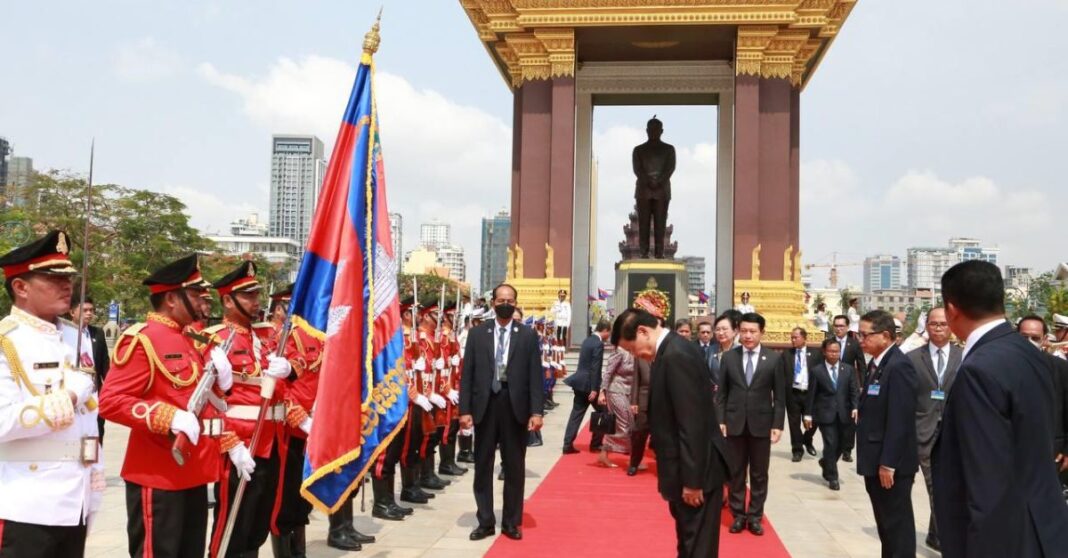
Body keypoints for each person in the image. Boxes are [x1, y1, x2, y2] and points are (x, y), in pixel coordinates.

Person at [100, 254, 234, 558]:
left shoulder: (191, 339)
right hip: (159, 472)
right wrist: (167, 416)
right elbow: (111, 401)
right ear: (172, 298)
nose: (203, 299)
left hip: (194, 470)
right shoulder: (143, 340)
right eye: (195, 293)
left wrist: (224, 383)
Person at [934, 261, 1068, 557]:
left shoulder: (979, 369)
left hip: (1007, 539)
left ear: (951, 310)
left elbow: (987, 484)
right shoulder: (1030, 354)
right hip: (1043, 528)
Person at [0, 230, 103, 557]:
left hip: (77, 497)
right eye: (52, 278)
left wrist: (95, 475)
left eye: (68, 277)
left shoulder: (77, 336)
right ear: (21, 287)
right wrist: (68, 397)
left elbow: (90, 415)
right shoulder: (7, 341)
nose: (66, 285)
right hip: (26, 501)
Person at [612, 307, 729, 558]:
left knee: (697, 547)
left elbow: (691, 423)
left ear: (643, 332)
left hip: (696, 474)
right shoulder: (670, 351)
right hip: (684, 470)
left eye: (633, 349)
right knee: (689, 543)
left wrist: (692, 481)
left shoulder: (676, 355)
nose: (637, 355)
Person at [205, 261, 300, 558]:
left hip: (271, 441)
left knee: (258, 523)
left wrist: (290, 370)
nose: (256, 301)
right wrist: (230, 443)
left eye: (257, 294)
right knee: (232, 526)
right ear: (228, 301)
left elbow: (289, 378)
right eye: (248, 296)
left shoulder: (266, 336)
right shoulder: (216, 339)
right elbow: (208, 400)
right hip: (240, 442)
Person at [459, 283, 544, 541]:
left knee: (514, 467)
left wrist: (536, 411)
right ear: (493, 303)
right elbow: (467, 375)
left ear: (515, 303)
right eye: (501, 299)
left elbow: (535, 377)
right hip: (485, 405)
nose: (505, 303)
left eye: (510, 299)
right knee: (483, 465)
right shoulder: (478, 334)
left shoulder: (528, 335)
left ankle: (510, 522)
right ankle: (485, 521)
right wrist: (464, 410)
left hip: (514, 405)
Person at [715, 312, 785, 536]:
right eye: (743, 331)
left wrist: (778, 424)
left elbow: (780, 396)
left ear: (761, 333)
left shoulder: (773, 359)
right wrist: (721, 420)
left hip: (761, 425)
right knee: (735, 473)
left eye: (752, 331)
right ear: (738, 331)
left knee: (759, 474)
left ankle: (755, 516)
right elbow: (722, 394)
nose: (747, 335)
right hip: (734, 424)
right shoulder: (729, 358)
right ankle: (738, 515)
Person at [855, 310, 918, 557]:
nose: (861, 340)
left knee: (897, 527)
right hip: (875, 457)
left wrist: (889, 463)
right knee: (887, 527)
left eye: (865, 334)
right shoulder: (878, 364)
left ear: (884, 335)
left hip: (890, 466)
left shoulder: (899, 366)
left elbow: (900, 419)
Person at [905, 307, 961, 552]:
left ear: (951, 327)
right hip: (920, 431)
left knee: (943, 487)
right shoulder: (912, 358)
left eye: (943, 323)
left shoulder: (965, 356)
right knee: (934, 486)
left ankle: (934, 533)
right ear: (926, 326)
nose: (939, 328)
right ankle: (941, 536)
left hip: (952, 433)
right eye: (934, 324)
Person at [804, 339, 858, 491]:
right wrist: (808, 414)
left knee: (843, 444)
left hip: (844, 413)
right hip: (825, 414)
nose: (834, 354)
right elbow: (811, 394)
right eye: (831, 351)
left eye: (836, 351)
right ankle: (833, 478)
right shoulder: (817, 371)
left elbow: (853, 390)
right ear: (824, 352)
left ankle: (826, 462)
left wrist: (855, 407)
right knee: (830, 443)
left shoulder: (848, 369)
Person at [1017, 315, 1068, 475]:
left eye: (1035, 338)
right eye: (1024, 337)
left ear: (1044, 339)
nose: (1029, 341)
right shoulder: (1001, 367)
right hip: (1013, 451)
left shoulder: (1060, 368)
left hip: (1052, 453)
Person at [562, 321, 610, 454]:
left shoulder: (587, 340)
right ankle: (595, 444)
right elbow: (595, 367)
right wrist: (595, 389)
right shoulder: (598, 344)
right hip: (589, 385)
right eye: (609, 332)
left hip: (579, 383)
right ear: (605, 330)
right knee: (604, 411)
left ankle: (567, 444)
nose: (609, 335)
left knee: (576, 415)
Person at [632, 116, 676, 259]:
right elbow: (637, 169)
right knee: (643, 223)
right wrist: (649, 181)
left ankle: (659, 253)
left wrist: (658, 181)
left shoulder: (669, 149)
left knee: (660, 223)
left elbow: (670, 168)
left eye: (656, 130)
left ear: (661, 131)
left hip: (662, 191)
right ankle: (643, 252)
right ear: (646, 131)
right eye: (651, 130)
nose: (653, 132)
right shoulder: (638, 150)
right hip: (643, 190)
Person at [70, 293, 110, 444]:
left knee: (96, 435)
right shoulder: (62, 333)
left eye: (91, 310)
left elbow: (105, 365)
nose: (89, 313)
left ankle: (94, 465)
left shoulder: (97, 333)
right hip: (73, 394)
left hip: (94, 395)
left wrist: (110, 390)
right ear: (72, 312)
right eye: (85, 310)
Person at [829, 314, 866, 463]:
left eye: (841, 326)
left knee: (851, 419)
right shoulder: (828, 343)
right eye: (836, 326)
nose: (838, 329)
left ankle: (847, 450)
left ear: (847, 327)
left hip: (850, 386)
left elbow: (861, 365)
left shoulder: (854, 344)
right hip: (831, 385)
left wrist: (862, 385)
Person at [782, 327, 820, 462]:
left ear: (804, 338)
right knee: (794, 423)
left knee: (814, 420)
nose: (793, 340)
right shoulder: (786, 354)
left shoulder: (816, 354)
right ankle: (797, 449)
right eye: (791, 337)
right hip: (793, 393)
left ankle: (807, 439)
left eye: (795, 337)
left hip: (810, 393)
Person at [596, 347, 635, 467]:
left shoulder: (636, 351)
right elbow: (608, 372)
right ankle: (634, 458)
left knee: (630, 424)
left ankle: (604, 453)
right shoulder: (619, 351)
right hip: (615, 391)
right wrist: (602, 392)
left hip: (630, 392)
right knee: (625, 424)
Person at [628, 356, 652, 477]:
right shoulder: (641, 357)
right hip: (644, 401)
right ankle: (634, 464)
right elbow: (635, 381)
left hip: (662, 402)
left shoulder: (667, 354)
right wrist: (634, 401)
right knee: (639, 434)